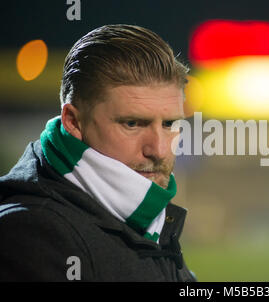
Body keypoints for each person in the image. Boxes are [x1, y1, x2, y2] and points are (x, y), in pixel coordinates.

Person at [0, 24, 196, 281]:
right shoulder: (30, 235)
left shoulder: (147, 220)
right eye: (132, 123)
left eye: (169, 124)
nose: (159, 150)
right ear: (73, 121)